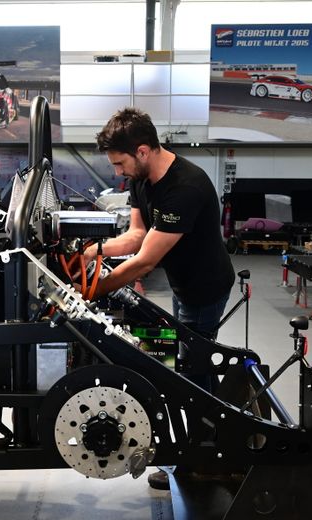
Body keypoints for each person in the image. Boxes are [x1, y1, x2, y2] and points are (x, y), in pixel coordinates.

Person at [83, 107, 235, 490]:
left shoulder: (186, 187)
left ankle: (209, 458)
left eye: (120, 163)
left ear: (144, 150)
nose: (118, 172)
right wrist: (91, 252)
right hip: (183, 285)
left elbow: (145, 261)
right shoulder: (142, 177)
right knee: (177, 361)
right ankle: (201, 447)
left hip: (205, 289)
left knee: (193, 373)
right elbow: (136, 237)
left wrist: (91, 290)